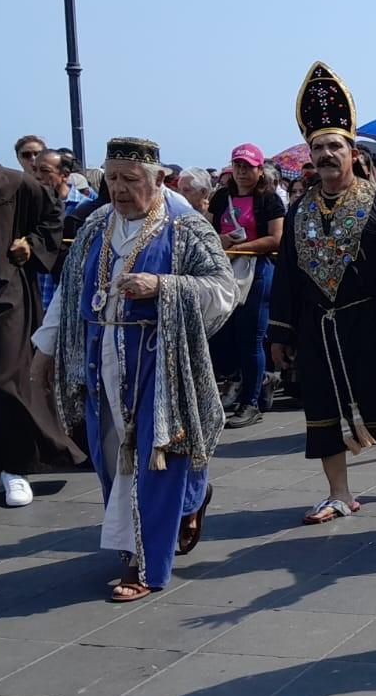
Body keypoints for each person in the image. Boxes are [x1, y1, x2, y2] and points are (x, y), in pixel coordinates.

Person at [32, 136, 234, 600]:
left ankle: (146, 566)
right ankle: (144, 533)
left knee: (158, 457)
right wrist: (44, 351)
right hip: (102, 357)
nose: (119, 190)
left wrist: (163, 285)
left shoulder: (185, 226)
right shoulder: (96, 224)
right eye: (112, 178)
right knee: (110, 456)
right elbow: (69, 289)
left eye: (131, 179)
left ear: (158, 180)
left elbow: (224, 290)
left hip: (161, 362)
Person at [269, 62, 376, 521]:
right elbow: (287, 273)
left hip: (370, 320)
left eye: (334, 145)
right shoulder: (298, 210)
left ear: (352, 151)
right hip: (316, 326)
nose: (325, 154)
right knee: (319, 408)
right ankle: (339, 493)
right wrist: (280, 333)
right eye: (317, 147)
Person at [0, 111, 80, 507]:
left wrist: (31, 244)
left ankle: (18, 468)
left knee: (4, 380)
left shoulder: (13, 184)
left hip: (5, 296)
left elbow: (53, 217)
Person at [208, 143, 285, 428]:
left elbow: (277, 238)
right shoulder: (220, 198)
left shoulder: (269, 200)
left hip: (258, 270)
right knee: (223, 334)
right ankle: (255, 382)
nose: (241, 172)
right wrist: (224, 243)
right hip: (225, 270)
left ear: (258, 169)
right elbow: (210, 231)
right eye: (237, 166)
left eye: (247, 167)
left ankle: (250, 402)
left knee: (251, 336)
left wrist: (244, 247)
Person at [34, 148, 91, 308]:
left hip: (69, 304)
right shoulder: (30, 208)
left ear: (64, 175)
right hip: (38, 301)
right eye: (34, 170)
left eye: (45, 171)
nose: (38, 176)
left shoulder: (85, 209)